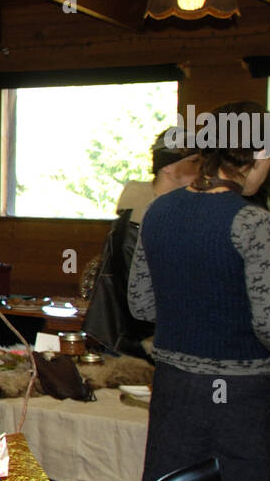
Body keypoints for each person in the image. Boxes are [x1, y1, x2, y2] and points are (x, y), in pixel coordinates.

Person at [129, 103, 270, 481]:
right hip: (239, 398)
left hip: (174, 390)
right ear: (258, 156)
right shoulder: (254, 222)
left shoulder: (159, 211)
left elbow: (141, 305)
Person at [86, 129, 202, 357]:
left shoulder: (165, 213)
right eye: (195, 161)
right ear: (168, 166)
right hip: (133, 344)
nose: (202, 170)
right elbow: (137, 291)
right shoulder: (139, 220)